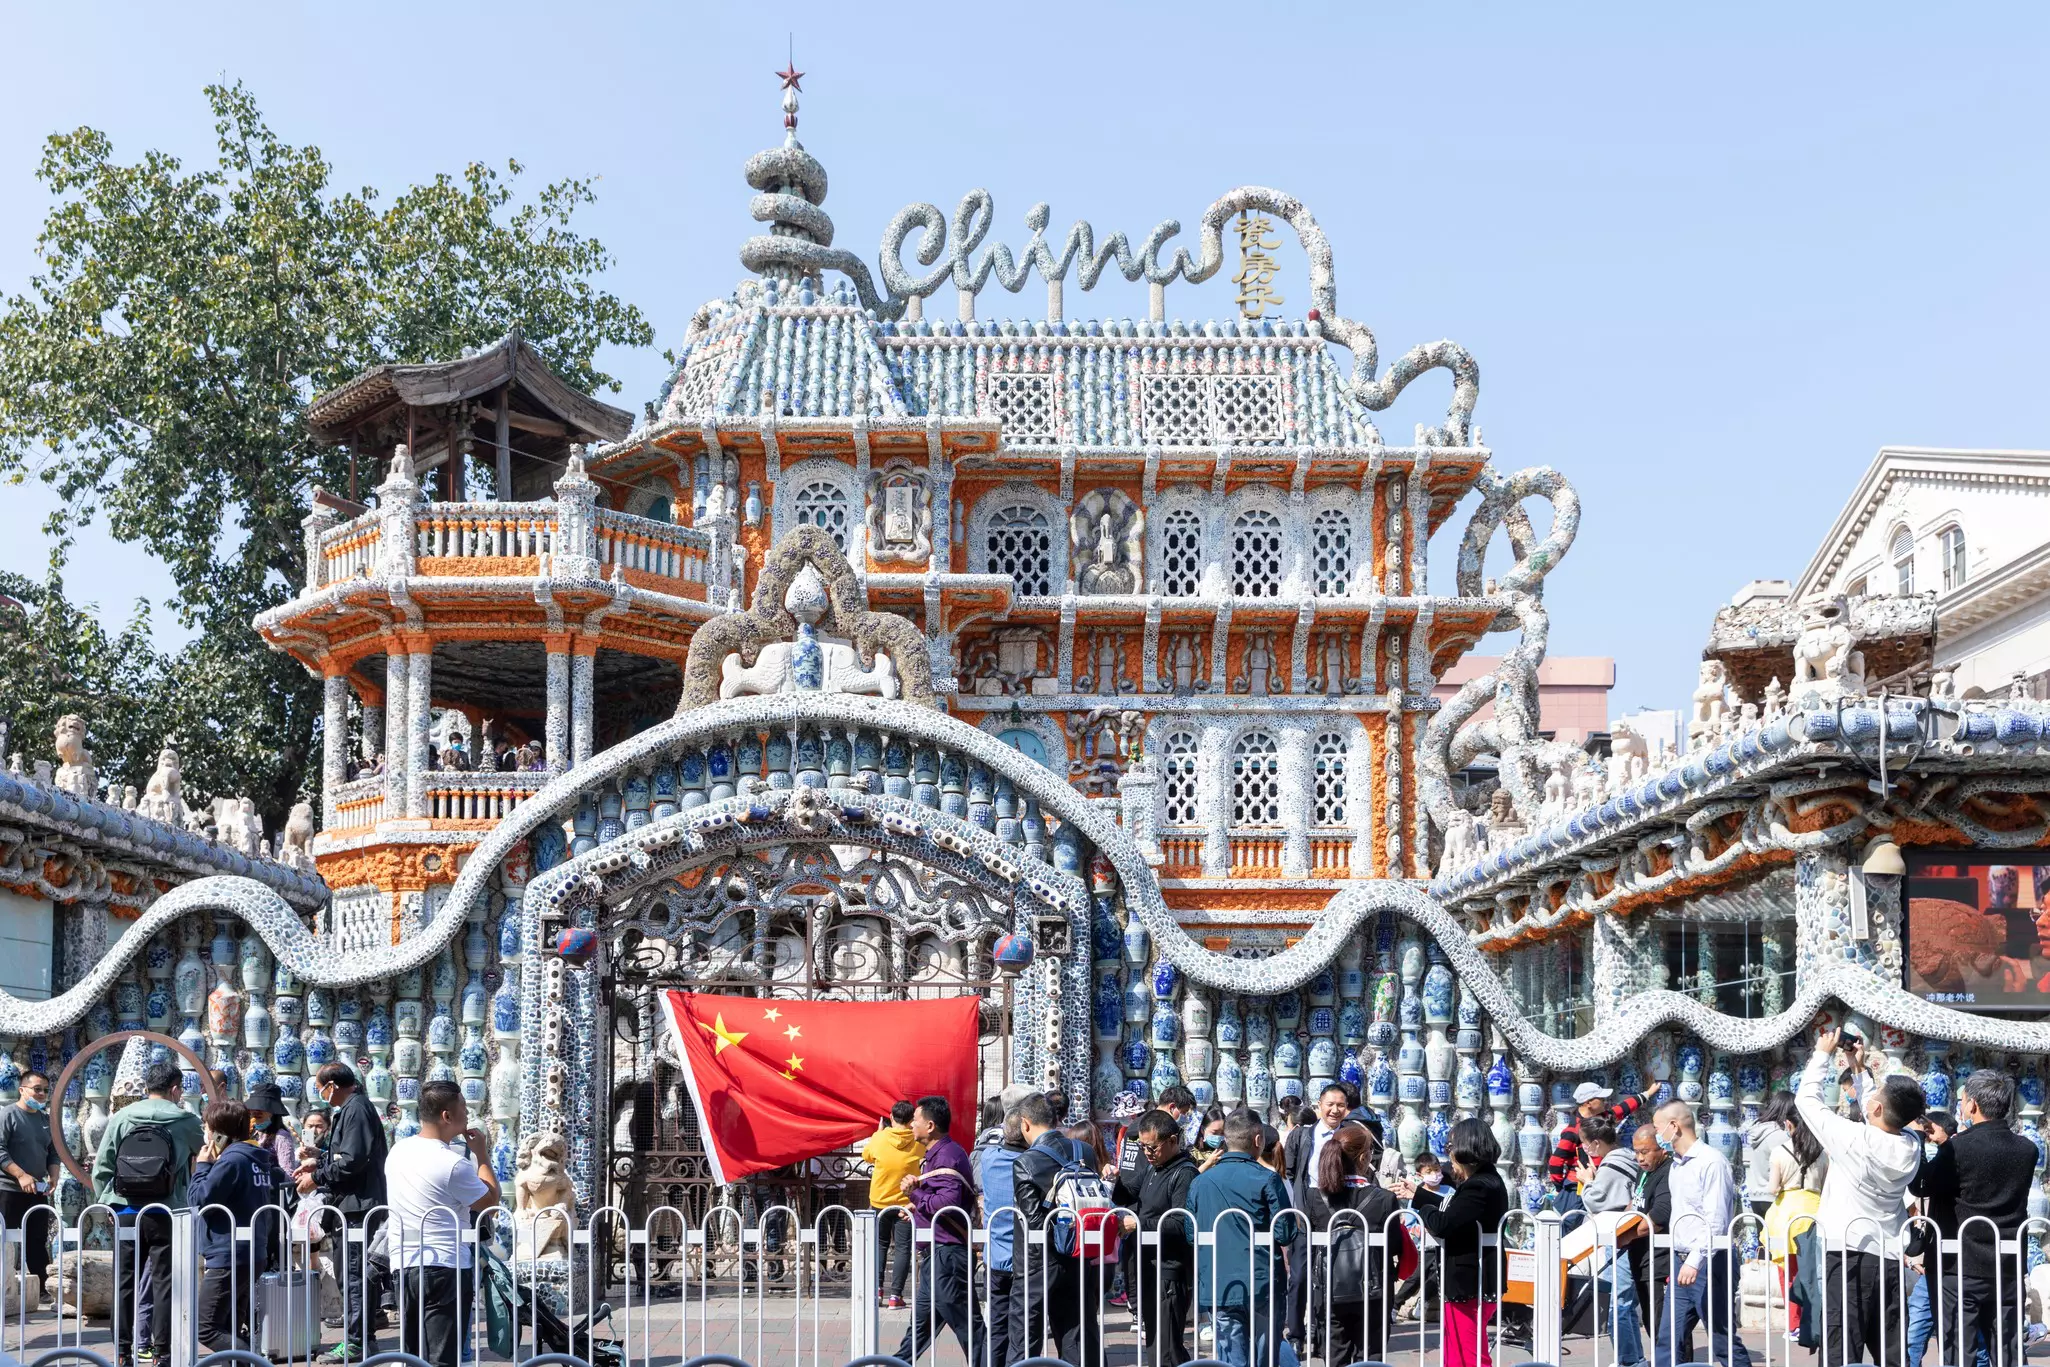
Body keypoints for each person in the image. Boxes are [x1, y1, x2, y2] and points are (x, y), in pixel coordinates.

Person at [1798, 1027, 1923, 1367]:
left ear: (1878, 1109)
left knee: (1842, 1345)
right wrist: (1859, 1069)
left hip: (1848, 1253)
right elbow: (1881, 1115)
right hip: (1889, 1254)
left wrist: (1822, 1054)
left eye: (1874, 1095)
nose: (1869, 1098)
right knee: (1891, 1348)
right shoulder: (1911, 1145)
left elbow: (1806, 1102)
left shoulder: (1855, 1141)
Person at [1915, 1069, 2040, 1367]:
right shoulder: (2028, 1149)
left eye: (1962, 1100)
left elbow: (1922, 1184)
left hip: (1960, 1264)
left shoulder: (1959, 1148)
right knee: (2006, 1348)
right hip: (2006, 1264)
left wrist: (1927, 1144)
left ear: (1972, 1105)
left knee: (1960, 1349)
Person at [92, 1059, 204, 1367]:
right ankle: (162, 1354)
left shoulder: (122, 1117)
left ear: (146, 1088)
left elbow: (103, 1166)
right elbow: (205, 1154)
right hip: (166, 1211)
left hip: (126, 1208)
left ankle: (122, 1352)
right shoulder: (186, 1121)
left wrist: (108, 1204)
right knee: (164, 1282)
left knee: (124, 1281)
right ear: (175, 1089)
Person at [384, 1081, 498, 1367]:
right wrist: (481, 1155)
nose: (467, 1114)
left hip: (404, 1261)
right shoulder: (453, 1164)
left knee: (411, 1354)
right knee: (442, 1357)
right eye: (463, 1107)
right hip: (445, 1265)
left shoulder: (397, 1151)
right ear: (447, 1116)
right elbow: (491, 1205)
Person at [1393, 1119, 1508, 1367]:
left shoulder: (1479, 1185)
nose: (1449, 1152)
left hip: (1471, 1282)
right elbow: (1455, 1211)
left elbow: (1445, 1223)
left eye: (1451, 1145)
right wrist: (1419, 1193)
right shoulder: (1484, 1181)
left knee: (1469, 1355)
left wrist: (1421, 1206)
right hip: (1470, 1279)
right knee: (1457, 1351)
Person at [1191, 1108, 1299, 1367]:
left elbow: (1189, 1232)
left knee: (1229, 1358)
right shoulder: (1268, 1179)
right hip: (1261, 1281)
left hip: (1218, 1283)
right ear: (1258, 1140)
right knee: (1263, 1358)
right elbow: (1285, 1232)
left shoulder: (1200, 1181)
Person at [296, 1062, 389, 1363]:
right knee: (353, 1273)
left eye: (321, 1088)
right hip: (350, 1205)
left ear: (332, 1086)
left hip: (358, 1207)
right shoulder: (351, 1109)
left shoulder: (356, 1109)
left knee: (355, 1275)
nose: (321, 1094)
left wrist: (317, 1177)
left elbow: (352, 1162)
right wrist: (319, 1161)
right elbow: (346, 1156)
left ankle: (355, 1342)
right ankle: (364, 1339)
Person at [1649, 1100, 1750, 1367]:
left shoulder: (1711, 1162)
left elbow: (1715, 1220)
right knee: (1669, 1339)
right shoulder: (1676, 1165)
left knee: (1721, 1340)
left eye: (1659, 1128)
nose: (1657, 1134)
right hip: (1681, 1260)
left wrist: (1695, 1260)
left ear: (1674, 1126)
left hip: (1710, 1261)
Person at [1010, 1092, 1102, 1367]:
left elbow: (1033, 1223)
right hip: (1079, 1254)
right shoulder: (1083, 1151)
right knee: (1078, 1332)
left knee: (1025, 1337)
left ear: (1025, 1123)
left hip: (1037, 1263)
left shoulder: (1026, 1162)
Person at [191, 1099, 287, 1351]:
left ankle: (253, 1363)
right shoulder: (257, 1157)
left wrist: (202, 1166)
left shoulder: (231, 1161)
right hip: (251, 1251)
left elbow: (200, 1199)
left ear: (219, 1132)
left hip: (228, 1254)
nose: (205, 1131)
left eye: (207, 1126)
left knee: (206, 1327)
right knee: (230, 1326)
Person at [894, 1096, 982, 1367]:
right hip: (937, 1256)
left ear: (930, 1125)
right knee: (919, 1328)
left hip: (949, 1256)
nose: (911, 1125)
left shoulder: (946, 1155)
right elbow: (940, 1196)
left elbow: (947, 1204)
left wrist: (915, 1193)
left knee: (969, 1327)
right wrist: (916, 1205)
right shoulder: (940, 1153)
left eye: (915, 1121)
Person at [1309, 1123, 1403, 1367]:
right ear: (1364, 1156)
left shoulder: (1315, 1198)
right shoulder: (1384, 1199)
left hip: (1328, 1288)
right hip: (1373, 1289)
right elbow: (1394, 1246)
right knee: (1369, 1358)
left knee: (1334, 1357)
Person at [1126, 1108, 1199, 1367]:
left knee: (1167, 1348)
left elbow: (1180, 1223)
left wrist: (1137, 1224)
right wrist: (1112, 1179)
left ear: (1172, 1141)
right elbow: (1128, 1192)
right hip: (1149, 1266)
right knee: (1158, 1342)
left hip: (1169, 1270)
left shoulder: (1185, 1172)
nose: (1147, 1153)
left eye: (1152, 1148)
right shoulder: (1153, 1167)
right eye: (1142, 1147)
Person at [1284, 1084, 1354, 1353]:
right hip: (1306, 1207)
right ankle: (1296, 1333)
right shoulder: (1302, 1136)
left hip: (1336, 1208)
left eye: (1341, 1105)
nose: (1335, 1110)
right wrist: (1297, 1205)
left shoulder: (1350, 1136)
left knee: (1330, 1275)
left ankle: (1324, 1333)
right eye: (1330, 1104)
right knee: (1300, 1274)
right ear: (1319, 1105)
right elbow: (1290, 1172)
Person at [1575, 1117, 1645, 1367]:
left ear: (1595, 1144)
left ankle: (1628, 1360)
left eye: (1584, 1143)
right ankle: (1635, 1358)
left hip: (1620, 1239)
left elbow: (1597, 1200)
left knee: (1620, 1303)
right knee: (1625, 1302)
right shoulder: (1627, 1156)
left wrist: (1587, 1180)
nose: (1583, 1148)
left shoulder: (1610, 1166)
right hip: (1631, 1237)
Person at [1763, 1091, 1826, 1341]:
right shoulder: (1822, 1152)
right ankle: (1815, 1319)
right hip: (1815, 1209)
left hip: (1786, 1212)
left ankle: (1793, 1324)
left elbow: (1773, 1187)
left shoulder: (1780, 1151)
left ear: (1789, 1124)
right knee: (1812, 1271)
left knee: (1787, 1274)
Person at [0, 1071, 58, 1307]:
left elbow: (54, 1150)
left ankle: (44, 1290)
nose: (41, 1094)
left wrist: (54, 1174)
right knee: (4, 1240)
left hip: (38, 1190)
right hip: (8, 1189)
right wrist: (21, 1174)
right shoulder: (8, 1115)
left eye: (45, 1089)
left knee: (37, 1239)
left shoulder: (45, 1120)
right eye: (37, 1089)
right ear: (22, 1089)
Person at [859, 1101, 923, 1311]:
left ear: (891, 1117)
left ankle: (877, 1291)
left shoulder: (880, 1137)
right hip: (906, 1203)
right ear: (912, 1119)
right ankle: (896, 1295)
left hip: (879, 1200)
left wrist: (879, 1133)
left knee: (879, 1245)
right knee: (904, 1248)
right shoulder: (916, 1139)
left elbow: (867, 1156)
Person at [979, 1109, 1028, 1367]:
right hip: (1024, 1261)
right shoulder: (1033, 1164)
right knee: (1021, 1331)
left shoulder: (989, 1158)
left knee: (996, 1327)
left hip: (995, 1259)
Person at [1549, 1080, 1660, 1192]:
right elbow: (1555, 1161)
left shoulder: (1604, 1117)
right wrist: (1559, 1187)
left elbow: (1624, 1107)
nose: (1605, 1102)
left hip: (1603, 1180)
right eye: (1601, 1099)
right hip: (1579, 1186)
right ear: (1588, 1103)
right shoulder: (1572, 1131)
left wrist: (1648, 1093)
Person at [1393, 1153, 1445, 1321]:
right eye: (1429, 1171)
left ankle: (1423, 1303)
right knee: (1416, 1276)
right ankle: (1395, 1304)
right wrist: (1421, 1230)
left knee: (1437, 1275)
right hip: (1423, 1245)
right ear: (1420, 1174)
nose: (1434, 1174)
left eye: (1436, 1170)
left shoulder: (1449, 1192)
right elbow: (1410, 1220)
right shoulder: (1416, 1194)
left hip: (1442, 1244)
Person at [1744, 1092, 1795, 1218]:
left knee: (1763, 1237)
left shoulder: (1758, 1130)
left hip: (1755, 1195)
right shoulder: (1779, 1136)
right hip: (1773, 1196)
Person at [244, 1084, 299, 1181]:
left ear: (273, 1110)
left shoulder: (281, 1136)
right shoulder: (250, 1132)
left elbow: (288, 1175)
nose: (256, 1111)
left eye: (262, 1107)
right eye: (254, 1107)